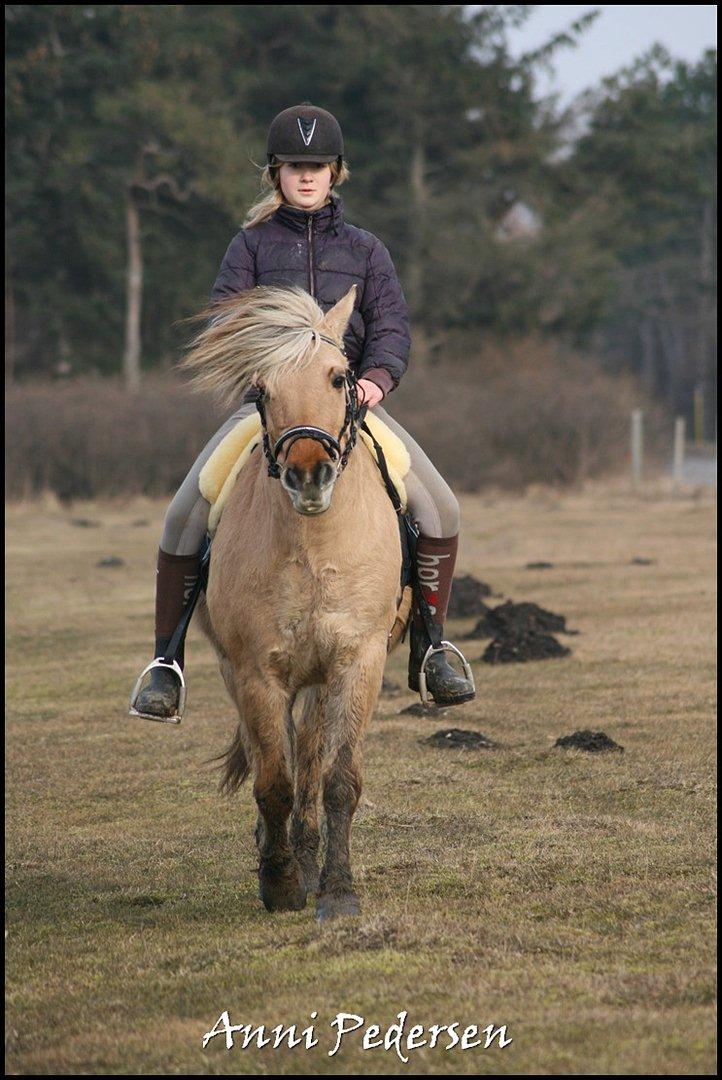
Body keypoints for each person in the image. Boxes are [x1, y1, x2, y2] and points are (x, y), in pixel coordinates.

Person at [132, 103, 475, 721]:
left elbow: (392, 328)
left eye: (317, 166)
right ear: (276, 175)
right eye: (295, 166)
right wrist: (258, 377)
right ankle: (166, 661)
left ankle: (431, 646)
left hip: (349, 408)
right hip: (271, 415)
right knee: (183, 515)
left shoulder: (367, 251)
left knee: (441, 508)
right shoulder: (250, 247)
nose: (307, 176)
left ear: (336, 172)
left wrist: (373, 381)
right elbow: (226, 323)